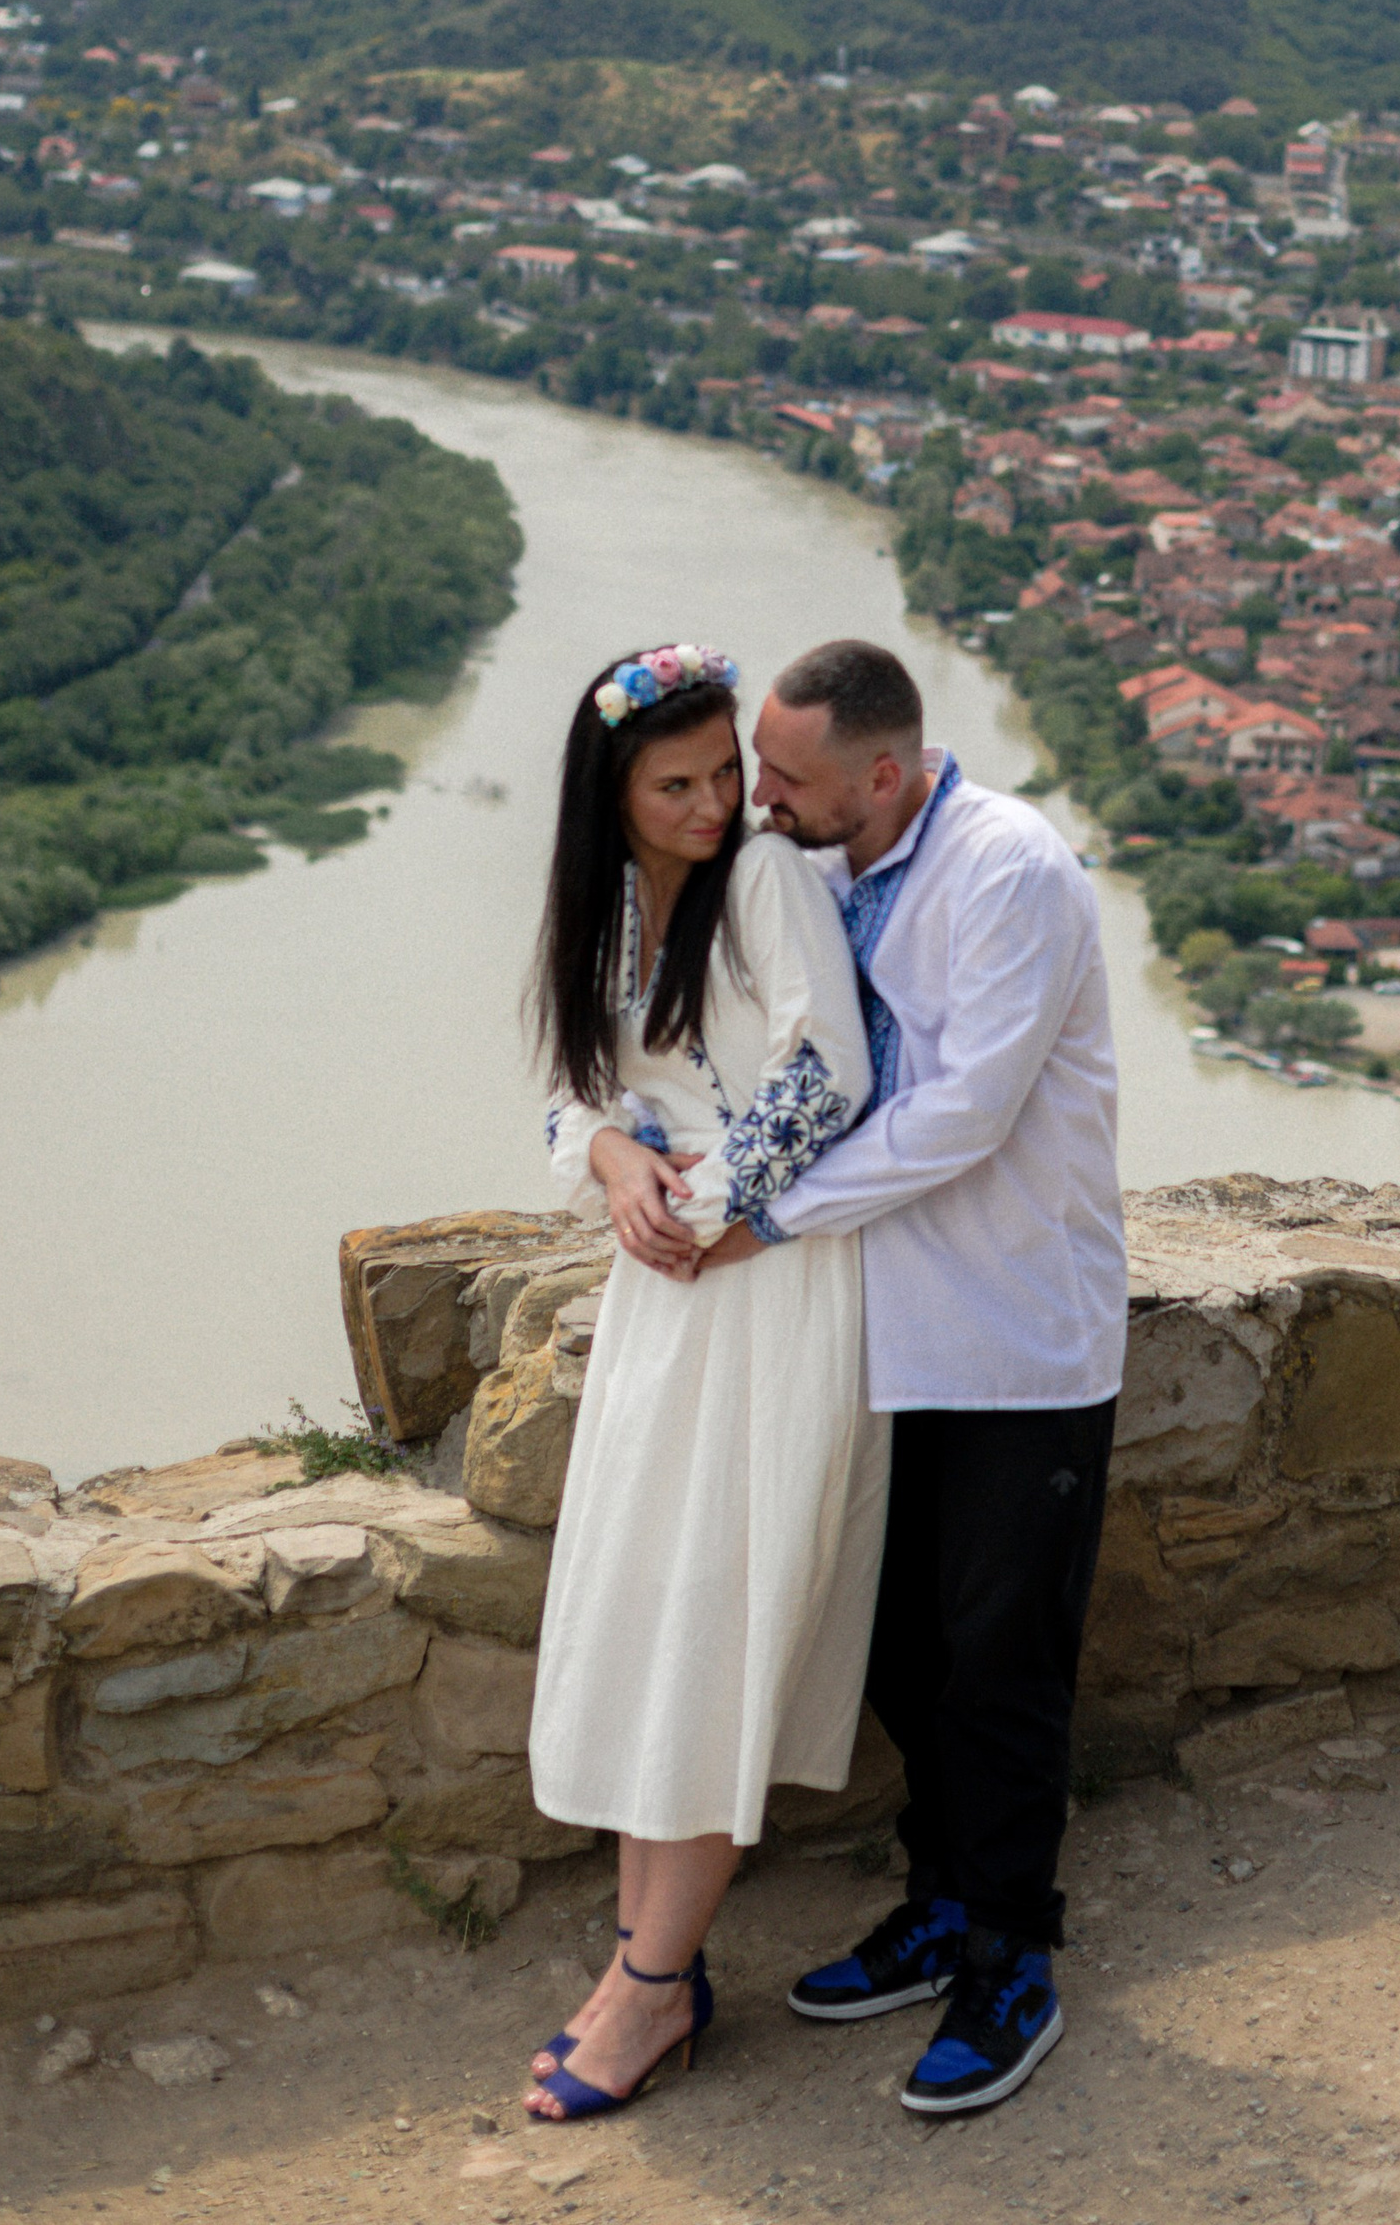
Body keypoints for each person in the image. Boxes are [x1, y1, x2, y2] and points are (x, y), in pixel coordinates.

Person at [708, 637, 1128, 2118]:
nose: (760, 798)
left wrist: (766, 1217)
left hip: (1018, 1333)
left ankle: (1015, 1958)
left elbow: (962, 1113)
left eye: (785, 776)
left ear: (882, 773)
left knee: (1002, 1661)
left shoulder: (1011, 871)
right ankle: (942, 1896)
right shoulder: (816, 865)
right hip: (881, 1332)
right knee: (898, 1648)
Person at [518, 642, 884, 2126]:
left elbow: (833, 1072)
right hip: (664, 1301)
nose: (716, 805)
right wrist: (616, 1163)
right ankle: (646, 1965)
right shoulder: (607, 909)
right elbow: (575, 1094)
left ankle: (655, 1982)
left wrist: (707, 1205)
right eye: (675, 785)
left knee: (719, 1623)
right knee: (646, 1613)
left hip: (767, 1285)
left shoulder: (768, 881)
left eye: (726, 772)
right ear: (611, 797)